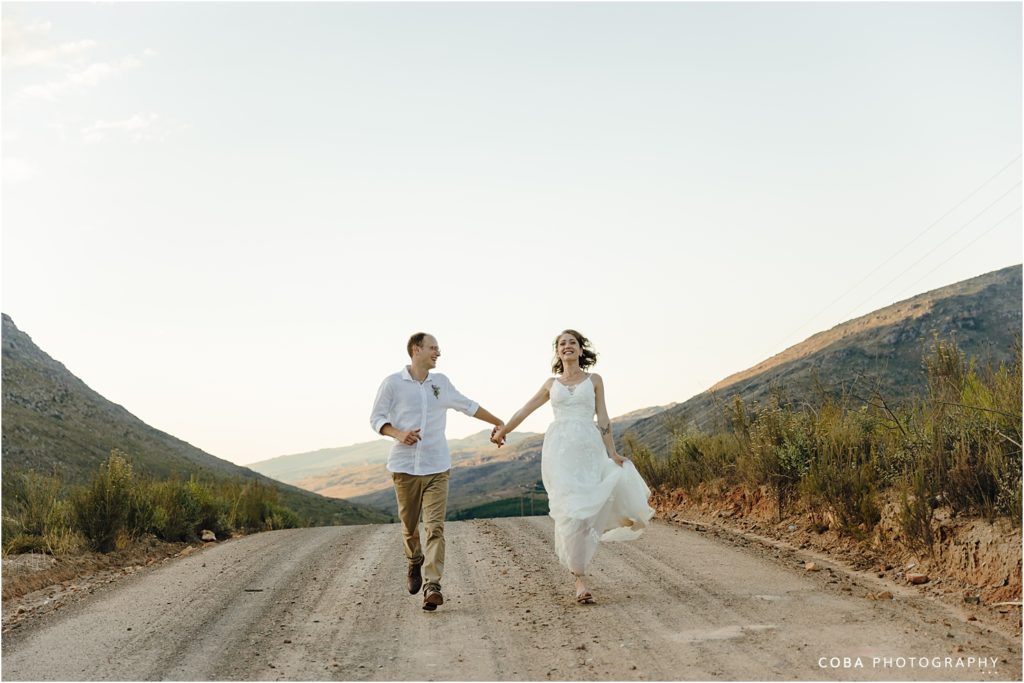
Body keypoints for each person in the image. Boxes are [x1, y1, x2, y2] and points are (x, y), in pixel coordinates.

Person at [491, 329, 654, 604]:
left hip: (589, 451)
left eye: (572, 343)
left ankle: (587, 555)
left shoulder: (594, 380)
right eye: (562, 343)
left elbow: (603, 417)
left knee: (586, 510)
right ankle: (579, 579)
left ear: (580, 349)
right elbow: (524, 410)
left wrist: (612, 452)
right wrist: (502, 431)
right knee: (570, 512)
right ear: (558, 352)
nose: (567, 346)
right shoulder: (550, 384)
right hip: (559, 454)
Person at [370, 332, 505, 611]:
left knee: (435, 527)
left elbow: (468, 405)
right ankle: (414, 559)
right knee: (409, 528)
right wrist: (398, 433)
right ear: (416, 349)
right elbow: (376, 418)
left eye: (438, 348)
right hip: (404, 468)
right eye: (433, 348)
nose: (438, 353)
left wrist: (499, 421)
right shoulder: (392, 383)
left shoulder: (440, 383)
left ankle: (432, 585)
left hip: (437, 468)